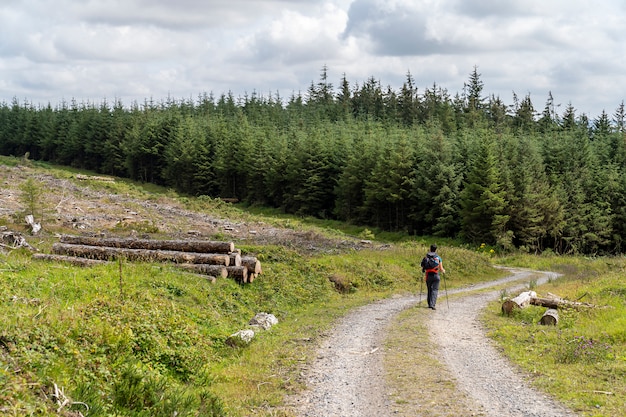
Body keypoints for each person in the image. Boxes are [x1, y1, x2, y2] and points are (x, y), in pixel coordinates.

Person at [421, 244, 445, 310]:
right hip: (436, 275)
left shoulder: (426, 257)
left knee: (429, 290)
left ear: (430, 249)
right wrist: (443, 271)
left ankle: (429, 304)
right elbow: (441, 268)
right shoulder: (438, 257)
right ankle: (433, 304)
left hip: (428, 275)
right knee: (435, 290)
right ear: (436, 249)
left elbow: (423, 266)